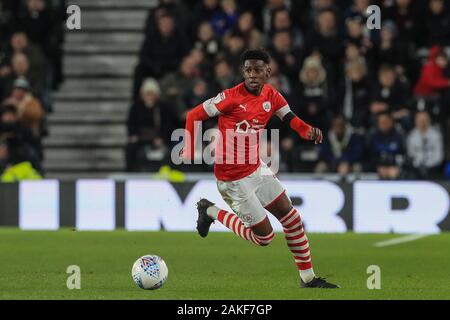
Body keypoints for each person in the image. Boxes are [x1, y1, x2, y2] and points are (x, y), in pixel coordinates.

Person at [181, 49, 339, 288]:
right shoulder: (230, 97)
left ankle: (308, 279)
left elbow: (290, 119)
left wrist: (307, 130)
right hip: (233, 179)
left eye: (257, 69)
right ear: (243, 72)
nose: (252, 74)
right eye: (248, 70)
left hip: (256, 168)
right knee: (264, 238)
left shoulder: (272, 95)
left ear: (268, 71)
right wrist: (189, 145)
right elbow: (194, 115)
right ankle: (210, 211)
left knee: (292, 218)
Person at [406, 111, 443, 178]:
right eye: (420, 120)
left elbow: (439, 155)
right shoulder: (411, 135)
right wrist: (418, 165)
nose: (422, 122)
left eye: (424, 119)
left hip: (434, 167)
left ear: (429, 120)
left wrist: (429, 165)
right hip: (416, 168)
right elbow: (410, 154)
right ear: (416, 121)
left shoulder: (436, 135)